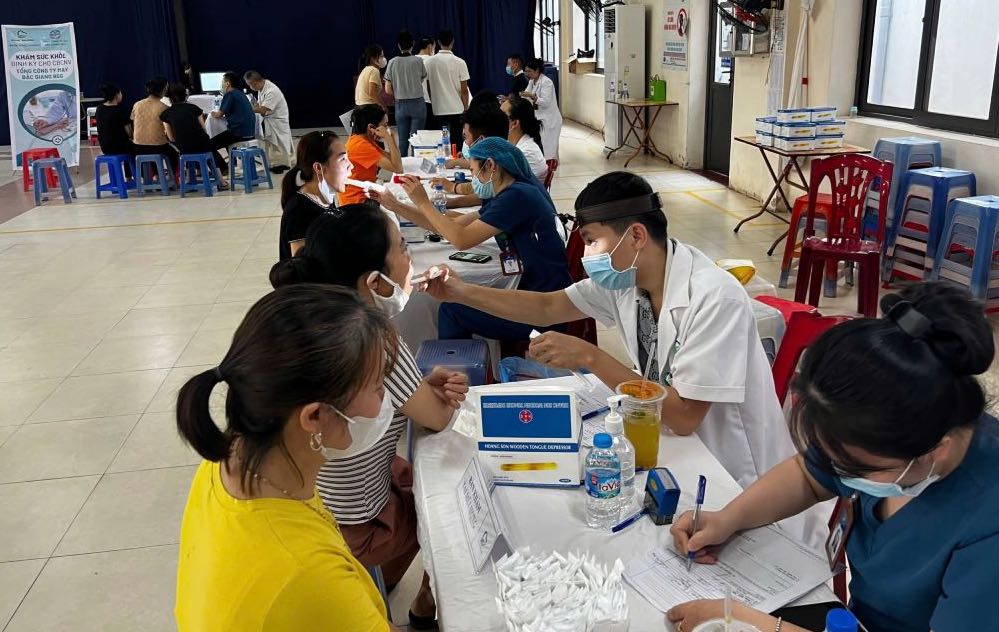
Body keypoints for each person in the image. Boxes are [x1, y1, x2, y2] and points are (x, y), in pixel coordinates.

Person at [416, 171, 794, 492]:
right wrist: (459, 292)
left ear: (636, 236)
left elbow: (684, 415)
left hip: (735, 472)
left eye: (594, 240)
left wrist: (589, 356)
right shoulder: (627, 279)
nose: (587, 254)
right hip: (671, 443)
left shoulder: (713, 297)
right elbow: (548, 305)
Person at [667, 282, 999, 632]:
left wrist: (749, 623)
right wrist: (728, 519)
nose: (838, 473)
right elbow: (810, 477)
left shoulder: (986, 526)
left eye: (853, 468)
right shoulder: (890, 436)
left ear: (935, 451)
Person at [270, 207, 469, 630]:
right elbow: (436, 418)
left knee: (414, 474)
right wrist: (422, 389)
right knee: (454, 515)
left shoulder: (309, 321)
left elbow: (391, 396)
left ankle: (386, 587)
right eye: (401, 247)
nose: (409, 255)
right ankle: (424, 604)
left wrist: (412, 383)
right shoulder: (376, 340)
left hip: (322, 502)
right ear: (373, 281)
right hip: (362, 522)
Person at [174, 283, 402, 631]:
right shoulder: (310, 575)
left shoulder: (227, 460)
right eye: (376, 387)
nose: (385, 402)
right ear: (314, 417)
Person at [392, 137, 572, 342]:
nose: (472, 178)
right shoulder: (512, 191)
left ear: (491, 166)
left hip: (543, 309)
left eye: (473, 171)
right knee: (461, 300)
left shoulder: (517, 197)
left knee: (453, 310)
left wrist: (423, 202)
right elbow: (457, 224)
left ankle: (457, 372)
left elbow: (460, 239)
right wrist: (397, 206)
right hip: (538, 293)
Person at [279, 131, 351, 260]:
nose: (350, 166)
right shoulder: (299, 210)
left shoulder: (324, 197)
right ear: (318, 168)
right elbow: (303, 268)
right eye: (343, 159)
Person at [160, 83, 229, 190]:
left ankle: (189, 179)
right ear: (186, 95)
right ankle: (221, 181)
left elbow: (171, 137)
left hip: (183, 146)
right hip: (201, 141)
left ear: (169, 98)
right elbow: (204, 128)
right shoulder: (194, 108)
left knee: (185, 151)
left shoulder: (166, 113)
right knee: (210, 151)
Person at [339, 104, 403, 206]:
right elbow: (398, 168)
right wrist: (389, 138)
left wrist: (391, 139)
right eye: (385, 125)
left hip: (365, 193)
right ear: (371, 127)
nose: (387, 128)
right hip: (357, 201)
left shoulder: (364, 140)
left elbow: (394, 160)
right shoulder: (361, 146)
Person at [385, 30, 428, 157]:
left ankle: (402, 168)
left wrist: (398, 93)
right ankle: (416, 171)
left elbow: (387, 89)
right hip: (418, 104)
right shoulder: (418, 61)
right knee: (416, 140)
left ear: (398, 45)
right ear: (413, 44)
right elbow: (422, 78)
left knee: (403, 140)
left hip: (400, 105)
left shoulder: (392, 62)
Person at [424, 28, 469, 148]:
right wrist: (466, 107)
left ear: (438, 42)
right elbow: (464, 90)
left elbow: (428, 87)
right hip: (456, 109)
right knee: (456, 140)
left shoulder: (429, 62)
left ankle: (443, 162)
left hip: (439, 109)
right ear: (453, 42)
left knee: (442, 140)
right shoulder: (460, 62)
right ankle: (456, 161)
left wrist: (434, 101)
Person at [244, 70, 293, 174]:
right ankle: (273, 163)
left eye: (249, 85)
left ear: (255, 83)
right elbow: (259, 106)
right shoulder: (261, 89)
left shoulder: (272, 91)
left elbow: (262, 109)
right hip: (269, 120)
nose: (249, 87)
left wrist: (245, 108)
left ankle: (282, 165)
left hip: (277, 122)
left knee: (279, 145)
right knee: (270, 146)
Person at [131, 75, 178, 172]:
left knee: (149, 146)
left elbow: (134, 122)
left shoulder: (137, 104)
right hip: (158, 147)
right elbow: (170, 132)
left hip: (138, 146)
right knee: (174, 154)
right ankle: (171, 178)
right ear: (164, 89)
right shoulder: (164, 107)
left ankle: (154, 176)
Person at [209, 72, 256, 162]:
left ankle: (223, 168)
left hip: (238, 133)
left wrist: (212, 113)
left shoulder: (230, 94)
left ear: (227, 83)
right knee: (226, 136)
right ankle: (232, 164)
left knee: (209, 145)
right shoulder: (240, 94)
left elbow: (219, 114)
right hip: (249, 132)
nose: (221, 85)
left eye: (222, 82)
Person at [522, 58, 561, 161]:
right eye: (526, 71)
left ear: (537, 70)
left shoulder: (547, 82)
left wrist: (533, 96)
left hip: (549, 119)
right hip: (539, 117)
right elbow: (526, 95)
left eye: (529, 71)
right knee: (545, 145)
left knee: (548, 146)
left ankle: (550, 165)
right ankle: (549, 162)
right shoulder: (532, 81)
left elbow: (546, 102)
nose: (527, 73)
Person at [95, 82, 135, 177]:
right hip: (119, 147)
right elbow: (129, 132)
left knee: (129, 146)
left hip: (105, 147)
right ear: (116, 95)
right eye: (120, 93)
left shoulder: (99, 109)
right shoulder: (120, 110)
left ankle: (127, 177)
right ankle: (133, 176)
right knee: (136, 148)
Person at [502, 95, 547, 181]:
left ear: (514, 123)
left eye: (501, 116)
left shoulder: (526, 153)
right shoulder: (512, 143)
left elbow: (500, 184)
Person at [416, 37, 436, 129]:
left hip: (414, 101)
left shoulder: (412, 60)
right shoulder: (433, 61)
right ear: (430, 46)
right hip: (430, 101)